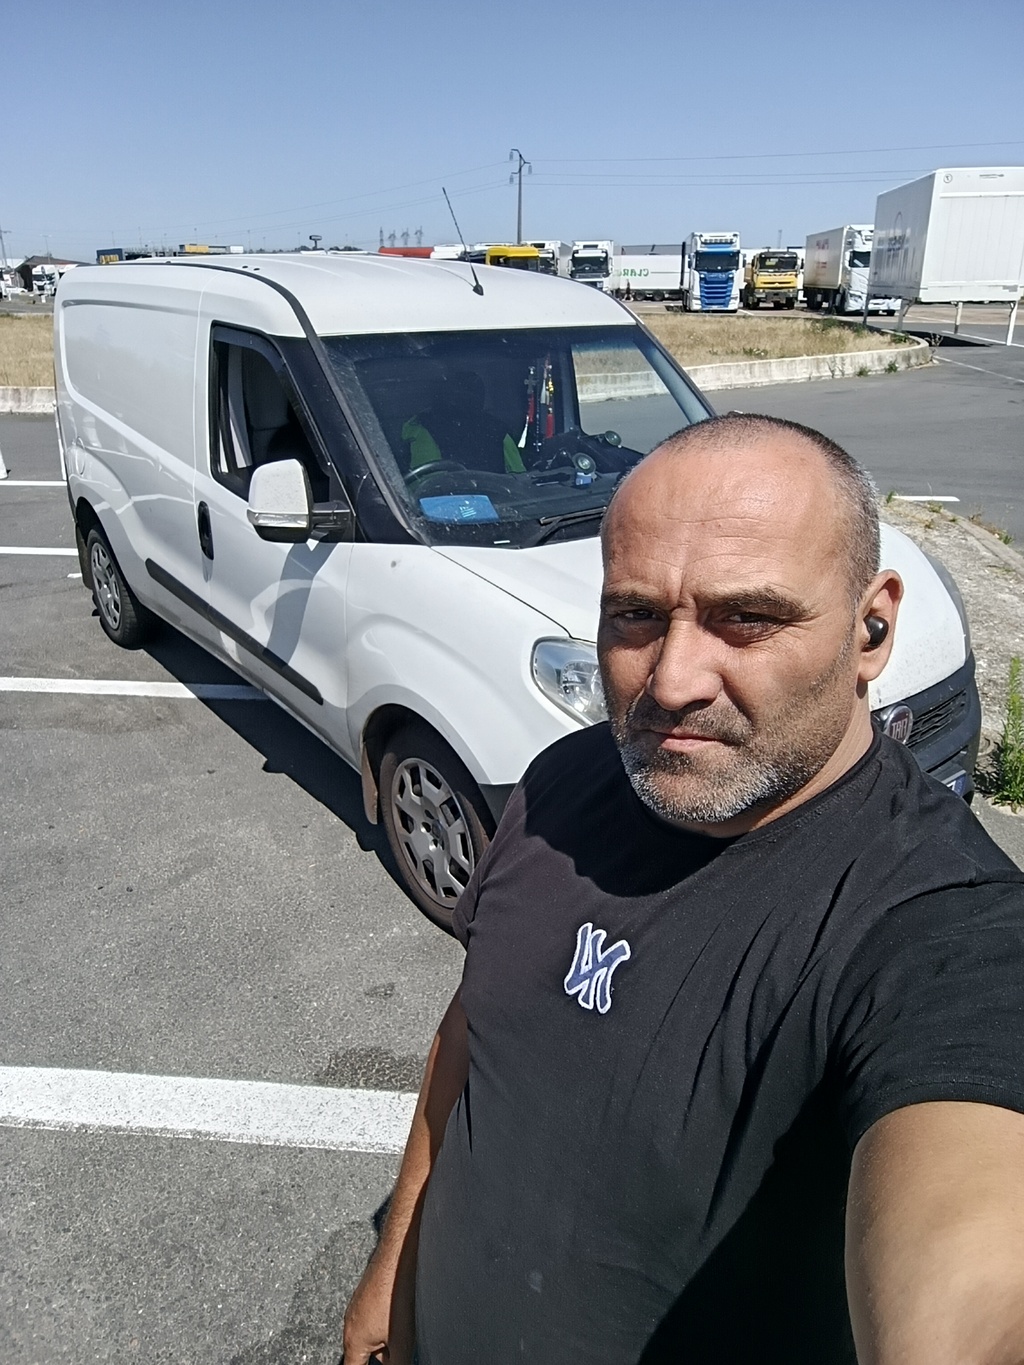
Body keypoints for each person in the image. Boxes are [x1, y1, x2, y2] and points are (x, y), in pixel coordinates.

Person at [343, 413, 1024, 1365]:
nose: (670, 681)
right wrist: (392, 1272)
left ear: (872, 628)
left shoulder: (938, 929)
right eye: (635, 615)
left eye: (747, 618)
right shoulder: (562, 782)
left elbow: (974, 1285)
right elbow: (471, 1033)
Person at [401, 371, 525, 476]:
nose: (462, 401)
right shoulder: (421, 428)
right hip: (444, 496)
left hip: (497, 497)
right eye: (458, 396)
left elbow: (520, 481)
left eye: (468, 396)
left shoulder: (498, 430)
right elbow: (423, 485)